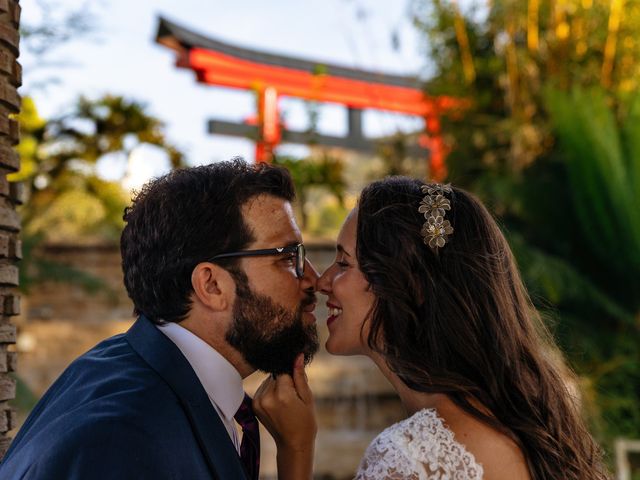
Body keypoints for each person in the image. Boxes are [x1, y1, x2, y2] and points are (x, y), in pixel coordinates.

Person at [254, 176, 610, 480]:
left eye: (344, 263)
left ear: (410, 284)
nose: (323, 282)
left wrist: (295, 451)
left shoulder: (410, 458)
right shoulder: (527, 427)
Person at [0, 159, 319, 480]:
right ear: (211, 285)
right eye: (288, 257)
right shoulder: (120, 441)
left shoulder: (123, 373)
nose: (313, 279)